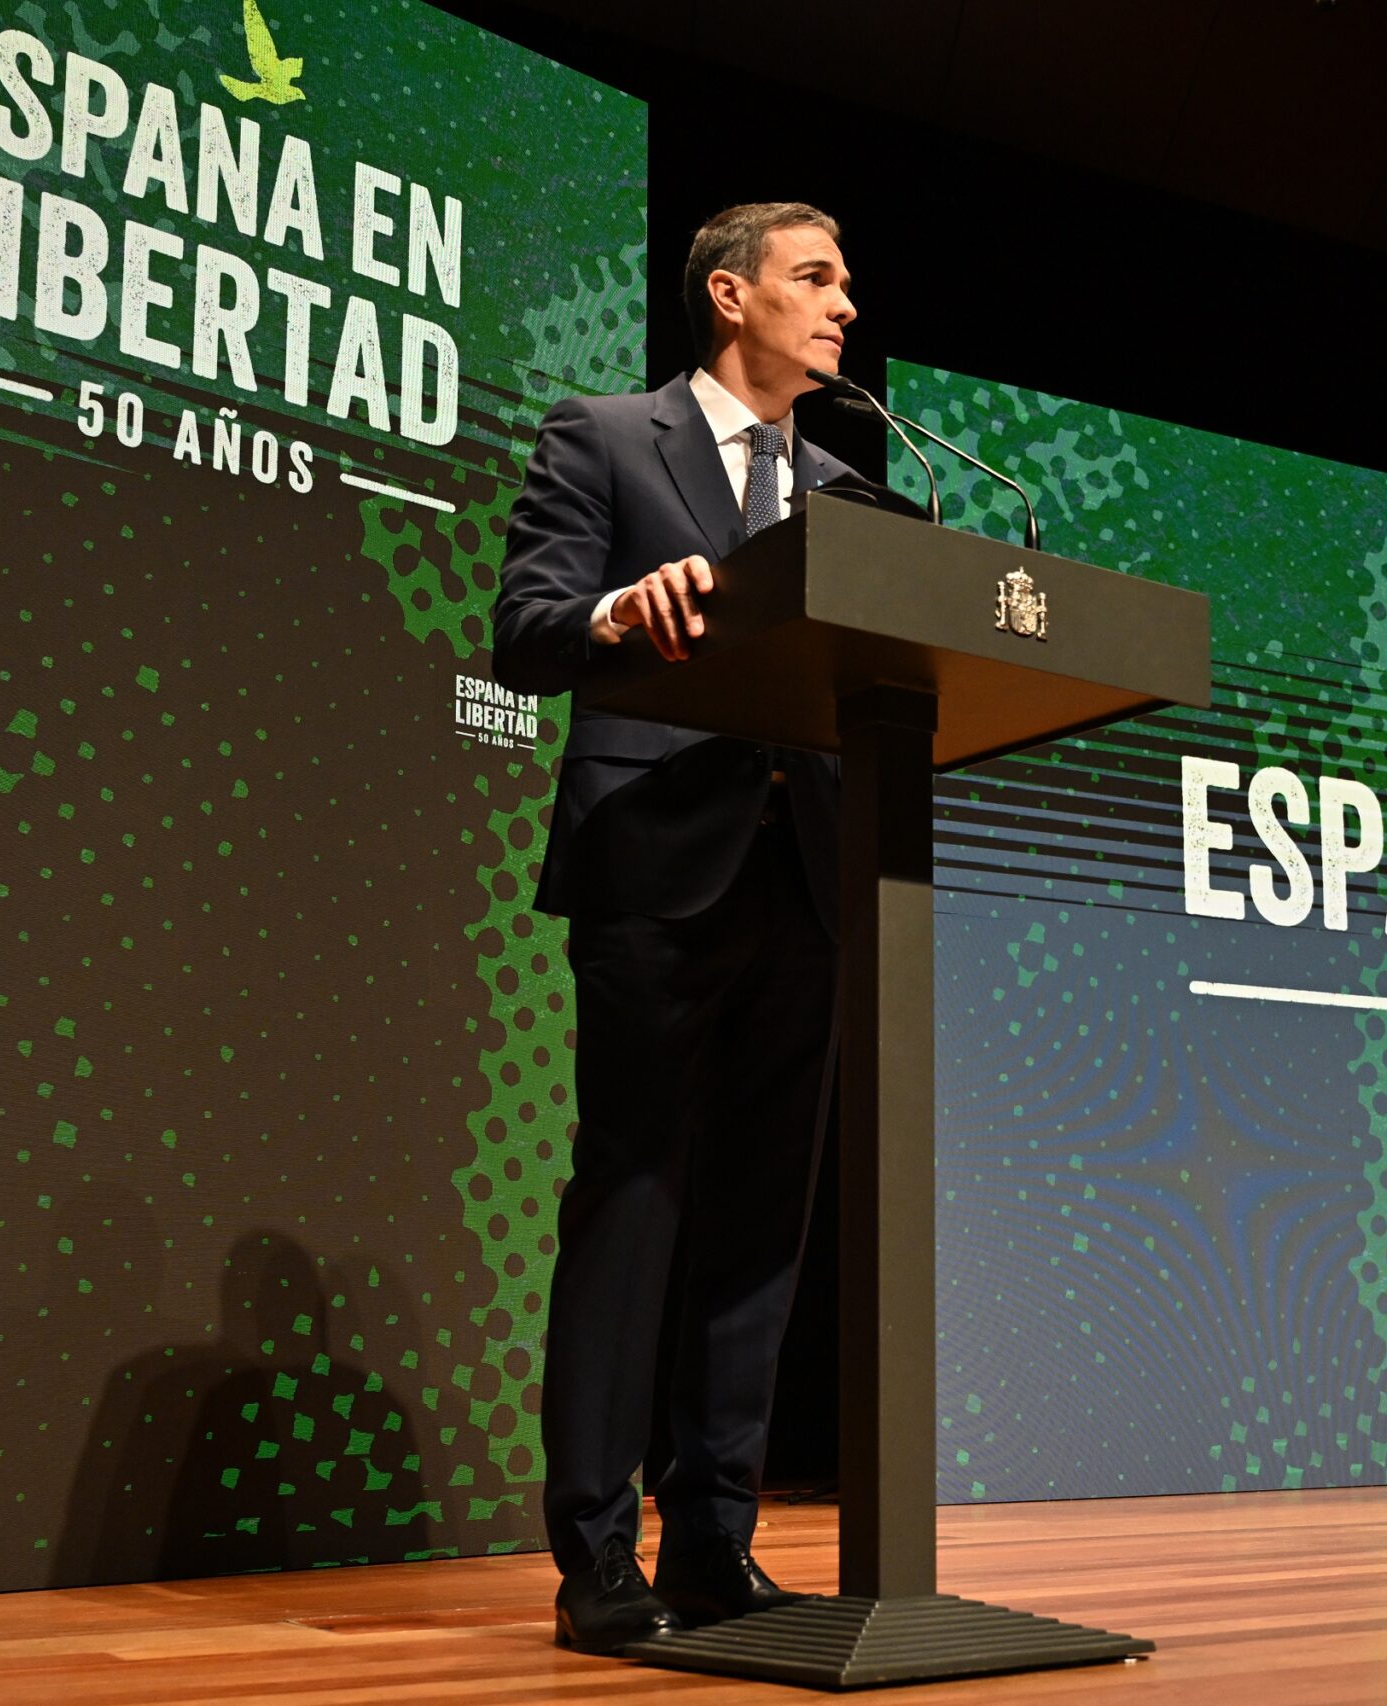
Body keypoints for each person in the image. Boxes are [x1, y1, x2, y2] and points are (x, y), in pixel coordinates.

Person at [488, 203, 858, 1654]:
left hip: (808, 875)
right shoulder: (604, 436)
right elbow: (522, 628)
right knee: (634, 1194)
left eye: (845, 285)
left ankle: (715, 1536)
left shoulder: (847, 492)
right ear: (730, 293)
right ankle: (596, 1557)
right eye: (815, 279)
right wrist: (613, 613)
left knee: (766, 1222)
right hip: (657, 864)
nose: (843, 309)